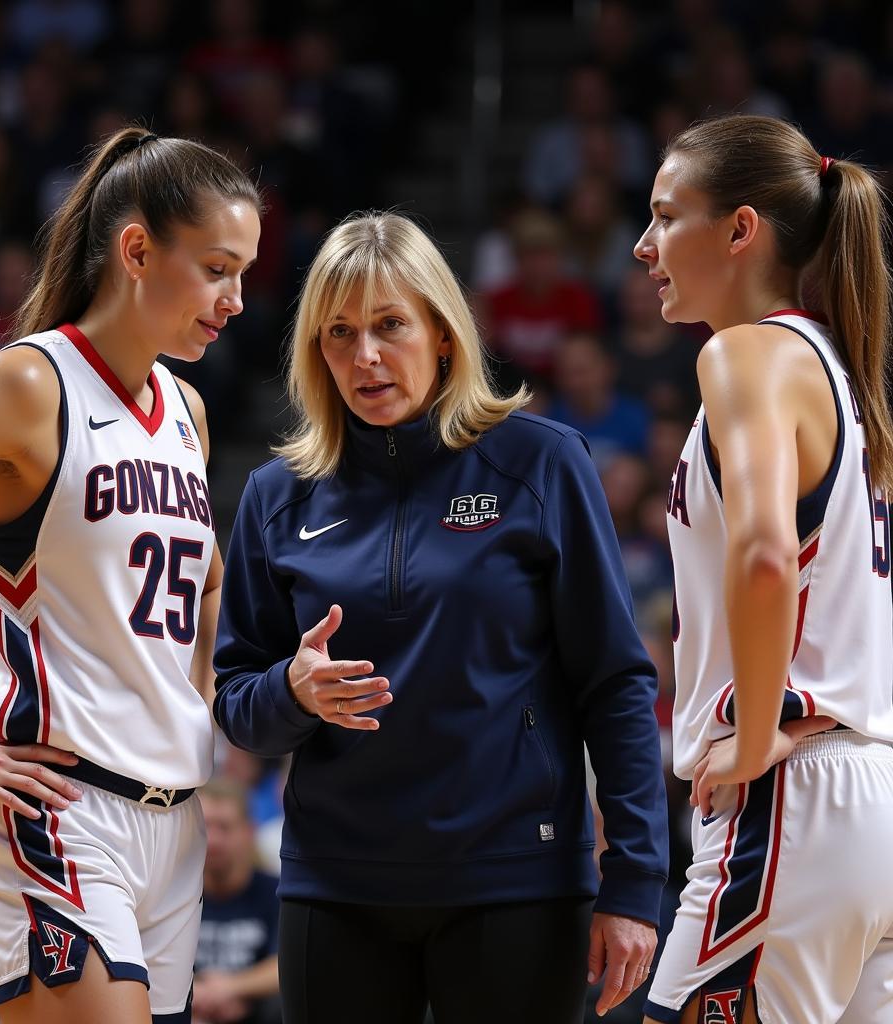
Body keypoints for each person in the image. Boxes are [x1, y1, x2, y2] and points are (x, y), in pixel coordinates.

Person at [213, 211, 669, 1024]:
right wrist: (292, 689)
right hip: (335, 883)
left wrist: (636, 879)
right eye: (339, 333)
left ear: (445, 334)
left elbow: (615, 681)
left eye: (390, 325)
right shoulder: (276, 497)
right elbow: (239, 706)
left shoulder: (542, 462)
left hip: (515, 883)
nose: (366, 357)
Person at [0, 125, 262, 1022]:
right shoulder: (23, 387)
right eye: (217, 268)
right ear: (136, 250)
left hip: (175, 822)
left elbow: (201, 583)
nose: (238, 299)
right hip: (60, 809)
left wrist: (192, 699)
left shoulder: (189, 411)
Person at [633, 114, 893, 1024]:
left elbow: (764, 554)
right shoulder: (849, 376)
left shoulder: (746, 354)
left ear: (740, 230)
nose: (644, 244)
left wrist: (748, 740)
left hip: (796, 796)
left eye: (667, 217)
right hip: (873, 792)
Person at [192, 779, 281, 1024]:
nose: (214, 840)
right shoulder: (173, 895)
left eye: (225, 827)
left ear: (249, 832)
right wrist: (195, 998)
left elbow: (286, 966)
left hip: (255, 1010)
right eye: (206, 826)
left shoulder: (276, 892)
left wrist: (232, 988)